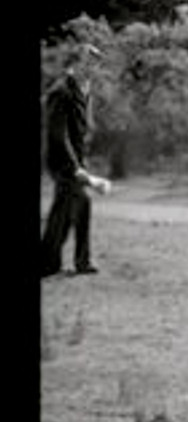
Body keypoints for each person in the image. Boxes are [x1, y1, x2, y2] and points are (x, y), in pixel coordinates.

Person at [42, 42, 111, 278]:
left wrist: (83, 161)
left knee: (76, 205)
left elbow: (81, 127)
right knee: (67, 208)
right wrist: (75, 168)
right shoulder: (60, 91)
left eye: (96, 64)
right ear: (76, 63)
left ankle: (74, 262)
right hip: (62, 160)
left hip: (76, 158)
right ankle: (51, 264)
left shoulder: (85, 87)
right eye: (89, 63)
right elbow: (57, 134)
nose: (93, 68)